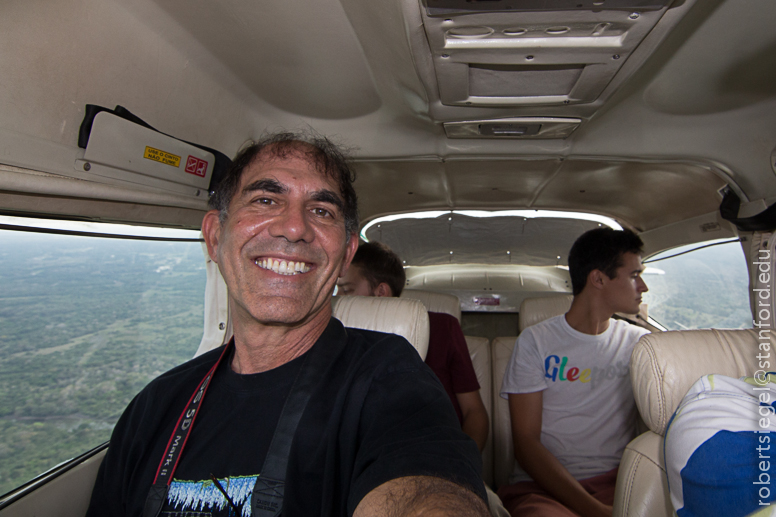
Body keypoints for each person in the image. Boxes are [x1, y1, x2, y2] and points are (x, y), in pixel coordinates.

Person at [86, 132, 489, 517]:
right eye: (264, 199)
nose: (294, 228)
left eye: (321, 210)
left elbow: (424, 489)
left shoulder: (390, 380)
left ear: (347, 252)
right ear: (214, 236)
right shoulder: (155, 407)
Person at [498, 228, 650, 517]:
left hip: (619, 482)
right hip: (543, 487)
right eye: (634, 275)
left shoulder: (641, 344)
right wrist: (593, 509)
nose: (643, 286)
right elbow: (526, 442)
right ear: (598, 278)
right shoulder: (536, 342)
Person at [337, 241, 489, 453]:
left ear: (381, 291)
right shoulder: (336, 335)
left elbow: (474, 411)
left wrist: (463, 463)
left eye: (346, 290)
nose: (338, 299)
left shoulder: (443, 328)